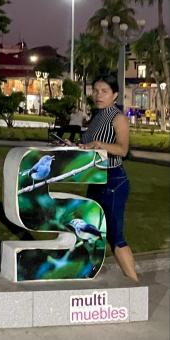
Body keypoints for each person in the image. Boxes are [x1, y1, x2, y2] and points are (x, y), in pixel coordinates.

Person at [78, 74, 137, 282]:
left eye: (104, 91)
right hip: (95, 179)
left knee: (115, 236)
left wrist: (99, 145)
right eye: (95, 91)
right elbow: (90, 144)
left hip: (113, 180)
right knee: (91, 230)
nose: (98, 95)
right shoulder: (97, 116)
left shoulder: (117, 117)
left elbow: (122, 149)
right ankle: (87, 276)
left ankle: (134, 285)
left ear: (115, 95)